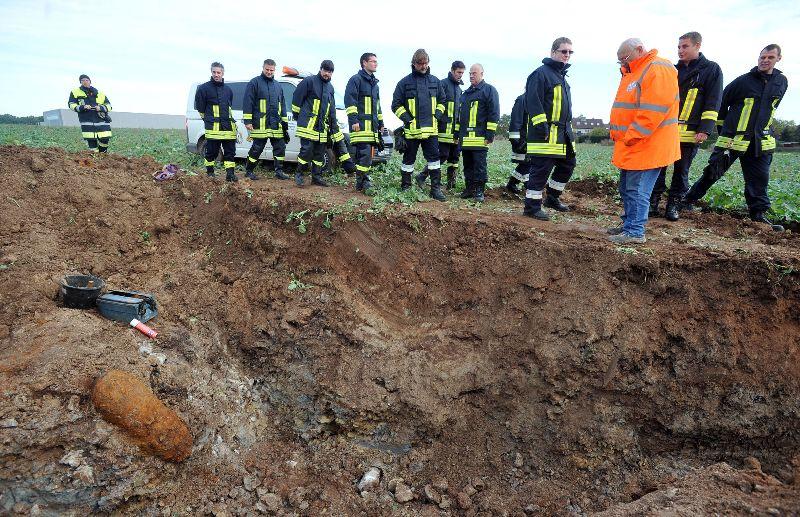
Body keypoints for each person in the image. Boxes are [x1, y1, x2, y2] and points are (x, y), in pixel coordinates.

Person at [683, 44, 788, 231]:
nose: (765, 60)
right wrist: (724, 128)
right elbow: (720, 105)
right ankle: (688, 201)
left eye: (770, 57)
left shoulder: (781, 82)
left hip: (760, 142)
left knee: (759, 180)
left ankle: (758, 216)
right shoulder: (743, 82)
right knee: (713, 173)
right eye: (762, 57)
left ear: (778, 59)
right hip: (732, 140)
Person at [608, 38, 680, 243]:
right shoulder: (635, 70)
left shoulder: (657, 68)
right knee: (627, 188)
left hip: (646, 144)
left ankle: (635, 232)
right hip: (634, 144)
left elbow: (653, 111)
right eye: (620, 61)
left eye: (625, 59)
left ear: (639, 50)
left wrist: (631, 136)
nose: (622, 64)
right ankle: (628, 225)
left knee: (638, 190)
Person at [648, 32, 722, 221]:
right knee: (658, 169)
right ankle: (653, 204)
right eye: (679, 47)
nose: (680, 50)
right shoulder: (672, 70)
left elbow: (713, 101)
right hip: (666, 130)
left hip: (690, 132)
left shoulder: (711, 69)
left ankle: (673, 206)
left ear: (698, 46)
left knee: (682, 172)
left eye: (685, 46)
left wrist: (705, 128)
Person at [522, 37, 577, 220]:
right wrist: (541, 127)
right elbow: (532, 102)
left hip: (563, 135)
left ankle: (552, 197)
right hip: (545, 135)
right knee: (540, 171)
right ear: (553, 52)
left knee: (568, 164)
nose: (567, 55)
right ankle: (531, 207)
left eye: (570, 52)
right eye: (563, 51)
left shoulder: (561, 77)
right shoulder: (540, 74)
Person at [392, 49, 448, 200]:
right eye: (420, 63)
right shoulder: (404, 83)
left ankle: (435, 190)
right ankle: (406, 187)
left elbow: (443, 101)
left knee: (434, 162)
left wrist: (436, 115)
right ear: (413, 63)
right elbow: (395, 105)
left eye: (425, 63)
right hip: (412, 132)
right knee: (408, 161)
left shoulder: (435, 82)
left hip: (431, 132)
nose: (423, 66)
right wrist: (407, 119)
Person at [291, 60, 343, 187]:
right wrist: (300, 118)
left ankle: (316, 177)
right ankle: (299, 175)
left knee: (319, 154)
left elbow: (331, 109)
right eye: (325, 71)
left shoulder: (330, 88)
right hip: (308, 126)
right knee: (306, 151)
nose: (327, 74)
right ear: (320, 69)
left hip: (322, 128)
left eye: (330, 72)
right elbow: (296, 100)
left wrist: (332, 125)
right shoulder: (309, 81)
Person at [418, 60, 465, 190]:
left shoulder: (459, 89)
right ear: (452, 71)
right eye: (458, 72)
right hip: (442, 130)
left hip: (455, 132)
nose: (460, 75)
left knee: (454, 158)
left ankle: (451, 183)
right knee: (442, 155)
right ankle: (422, 175)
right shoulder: (442, 84)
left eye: (462, 73)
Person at [456, 63, 500, 202]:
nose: (471, 75)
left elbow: (494, 113)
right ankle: (469, 189)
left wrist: (490, 134)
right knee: (468, 166)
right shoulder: (465, 94)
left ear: (482, 74)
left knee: (479, 166)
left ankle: (479, 191)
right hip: (466, 139)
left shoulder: (489, 90)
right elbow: (459, 117)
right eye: (470, 73)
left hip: (480, 138)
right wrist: (457, 134)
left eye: (474, 73)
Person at [242, 59, 290, 181]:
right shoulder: (254, 83)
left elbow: (282, 105)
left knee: (280, 148)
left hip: (276, 126)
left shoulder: (278, 86)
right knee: (257, 149)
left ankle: (279, 171)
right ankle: (249, 171)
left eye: (271, 70)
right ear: (263, 68)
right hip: (260, 125)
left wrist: (284, 123)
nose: (269, 72)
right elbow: (248, 102)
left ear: (274, 70)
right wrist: (247, 121)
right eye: (267, 69)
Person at [345, 52, 384, 192]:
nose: (375, 63)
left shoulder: (375, 84)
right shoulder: (355, 80)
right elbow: (350, 102)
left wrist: (381, 123)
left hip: (372, 128)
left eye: (376, 61)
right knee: (365, 155)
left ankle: (361, 182)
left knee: (368, 156)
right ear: (364, 63)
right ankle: (362, 180)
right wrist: (353, 120)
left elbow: (377, 106)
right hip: (360, 127)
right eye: (372, 61)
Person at [195, 62, 238, 181]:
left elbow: (229, 108)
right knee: (211, 153)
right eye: (214, 72)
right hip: (213, 129)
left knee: (230, 153)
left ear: (222, 73)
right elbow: (201, 109)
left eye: (218, 72)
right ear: (211, 72)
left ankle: (230, 175)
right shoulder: (203, 89)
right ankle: (210, 172)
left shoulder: (228, 90)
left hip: (228, 128)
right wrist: (209, 121)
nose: (216, 74)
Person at [68, 74, 112, 153]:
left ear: (90, 81)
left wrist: (101, 108)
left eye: (86, 80)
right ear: (80, 82)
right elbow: (71, 104)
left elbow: (109, 106)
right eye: (83, 80)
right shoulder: (75, 92)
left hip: (101, 120)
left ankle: (103, 155)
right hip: (87, 120)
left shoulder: (100, 93)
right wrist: (82, 107)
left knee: (105, 139)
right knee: (91, 142)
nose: (85, 82)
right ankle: (95, 159)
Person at [507, 93, 529, 196]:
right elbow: (516, 120)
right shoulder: (522, 99)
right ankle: (529, 187)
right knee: (528, 164)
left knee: (526, 163)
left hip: (531, 140)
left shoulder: (536, 100)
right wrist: (516, 140)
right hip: (522, 140)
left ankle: (511, 184)